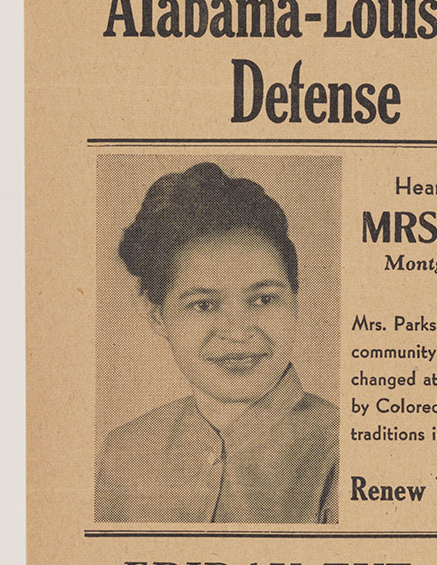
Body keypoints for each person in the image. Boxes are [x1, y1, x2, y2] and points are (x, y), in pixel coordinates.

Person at [95, 162, 338, 523]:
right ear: (156, 315)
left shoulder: (341, 450)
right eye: (204, 305)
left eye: (263, 299)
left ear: (295, 297)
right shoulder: (124, 451)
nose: (238, 332)